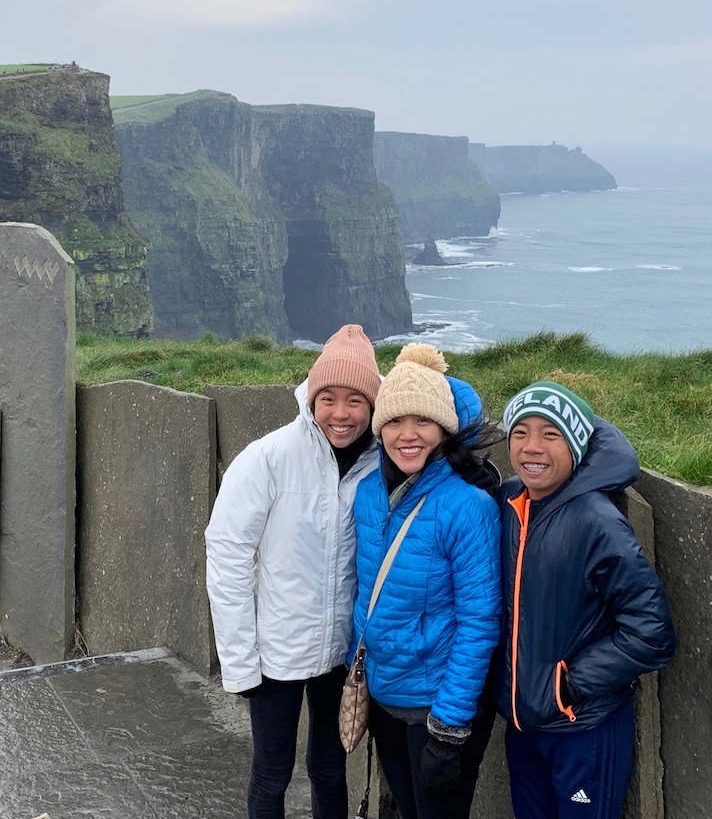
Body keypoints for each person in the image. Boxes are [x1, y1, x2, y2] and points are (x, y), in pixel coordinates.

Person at [205, 324, 383, 819]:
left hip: (341, 651)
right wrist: (240, 661)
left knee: (330, 768)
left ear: (374, 403)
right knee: (271, 772)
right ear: (310, 396)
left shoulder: (381, 463)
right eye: (328, 398)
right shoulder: (270, 457)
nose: (341, 414)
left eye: (356, 400)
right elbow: (227, 554)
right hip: (274, 652)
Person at [494, 380, 676, 819]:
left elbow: (652, 633)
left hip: (582, 728)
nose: (532, 447)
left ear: (574, 447)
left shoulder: (597, 521)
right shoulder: (509, 502)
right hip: (522, 725)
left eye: (550, 435)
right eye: (520, 432)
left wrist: (568, 686)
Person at [350, 343, 501, 819]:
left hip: (436, 707)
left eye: (423, 421)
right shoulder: (368, 491)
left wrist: (451, 726)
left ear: (444, 430)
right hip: (384, 690)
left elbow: (479, 621)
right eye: (394, 421)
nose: (407, 435)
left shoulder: (467, 505)